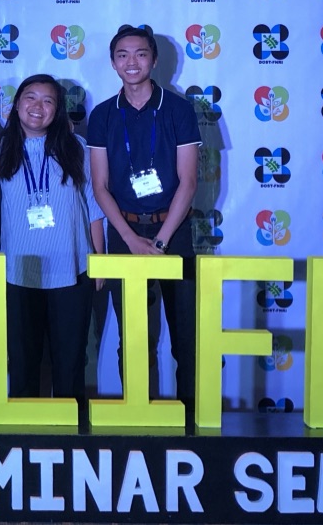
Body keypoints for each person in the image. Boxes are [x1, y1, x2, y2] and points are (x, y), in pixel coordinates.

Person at [87, 25, 202, 406]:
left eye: (140, 53)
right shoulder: (103, 115)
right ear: (113, 63)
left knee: (187, 337)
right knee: (135, 338)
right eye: (122, 55)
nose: (131, 62)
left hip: (174, 233)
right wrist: (131, 240)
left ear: (154, 59)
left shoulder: (179, 109)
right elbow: (100, 186)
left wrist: (161, 242)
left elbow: (188, 182)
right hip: (125, 233)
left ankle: (190, 421)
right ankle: (137, 418)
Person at [0, 74, 106, 398]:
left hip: (71, 269)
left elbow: (93, 205)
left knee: (70, 362)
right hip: (19, 270)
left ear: (58, 110)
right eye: (30, 97)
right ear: (16, 105)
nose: (37, 106)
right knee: (22, 361)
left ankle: (71, 428)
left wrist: (99, 259)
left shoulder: (76, 147)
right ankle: (25, 428)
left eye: (48, 100)